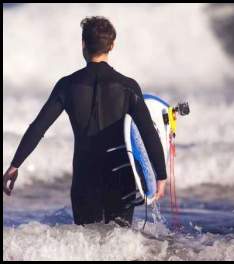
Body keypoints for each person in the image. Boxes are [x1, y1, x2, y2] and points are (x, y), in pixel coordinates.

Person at [3, 16, 167, 226]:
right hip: (120, 179)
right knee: (121, 246)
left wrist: (14, 165)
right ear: (112, 45)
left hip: (84, 179)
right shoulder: (128, 87)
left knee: (87, 243)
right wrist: (160, 176)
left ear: (83, 44)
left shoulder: (67, 85)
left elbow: (38, 127)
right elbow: (148, 133)